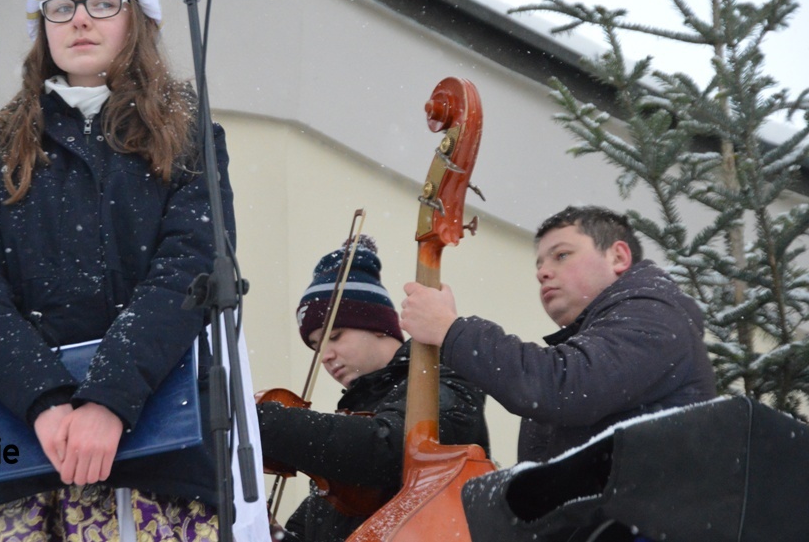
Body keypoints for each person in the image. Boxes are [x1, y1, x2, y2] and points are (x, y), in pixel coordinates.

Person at [0, 0, 236, 541]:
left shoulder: (188, 133)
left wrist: (108, 399)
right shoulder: (1, 147)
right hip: (19, 458)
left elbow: (189, 273)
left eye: (102, 3)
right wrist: (44, 400)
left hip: (159, 453)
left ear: (139, 20)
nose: (79, 19)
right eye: (60, 7)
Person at [399, 205, 717, 464]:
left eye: (561, 255)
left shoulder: (655, 315)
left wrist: (452, 331)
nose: (542, 272)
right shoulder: (612, 329)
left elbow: (565, 386)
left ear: (618, 257)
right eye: (539, 264)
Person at [257, 236, 490, 542]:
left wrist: (264, 422)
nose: (324, 356)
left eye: (335, 336)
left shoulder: (442, 376)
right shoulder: (351, 427)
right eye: (316, 346)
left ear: (379, 326)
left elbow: (388, 449)